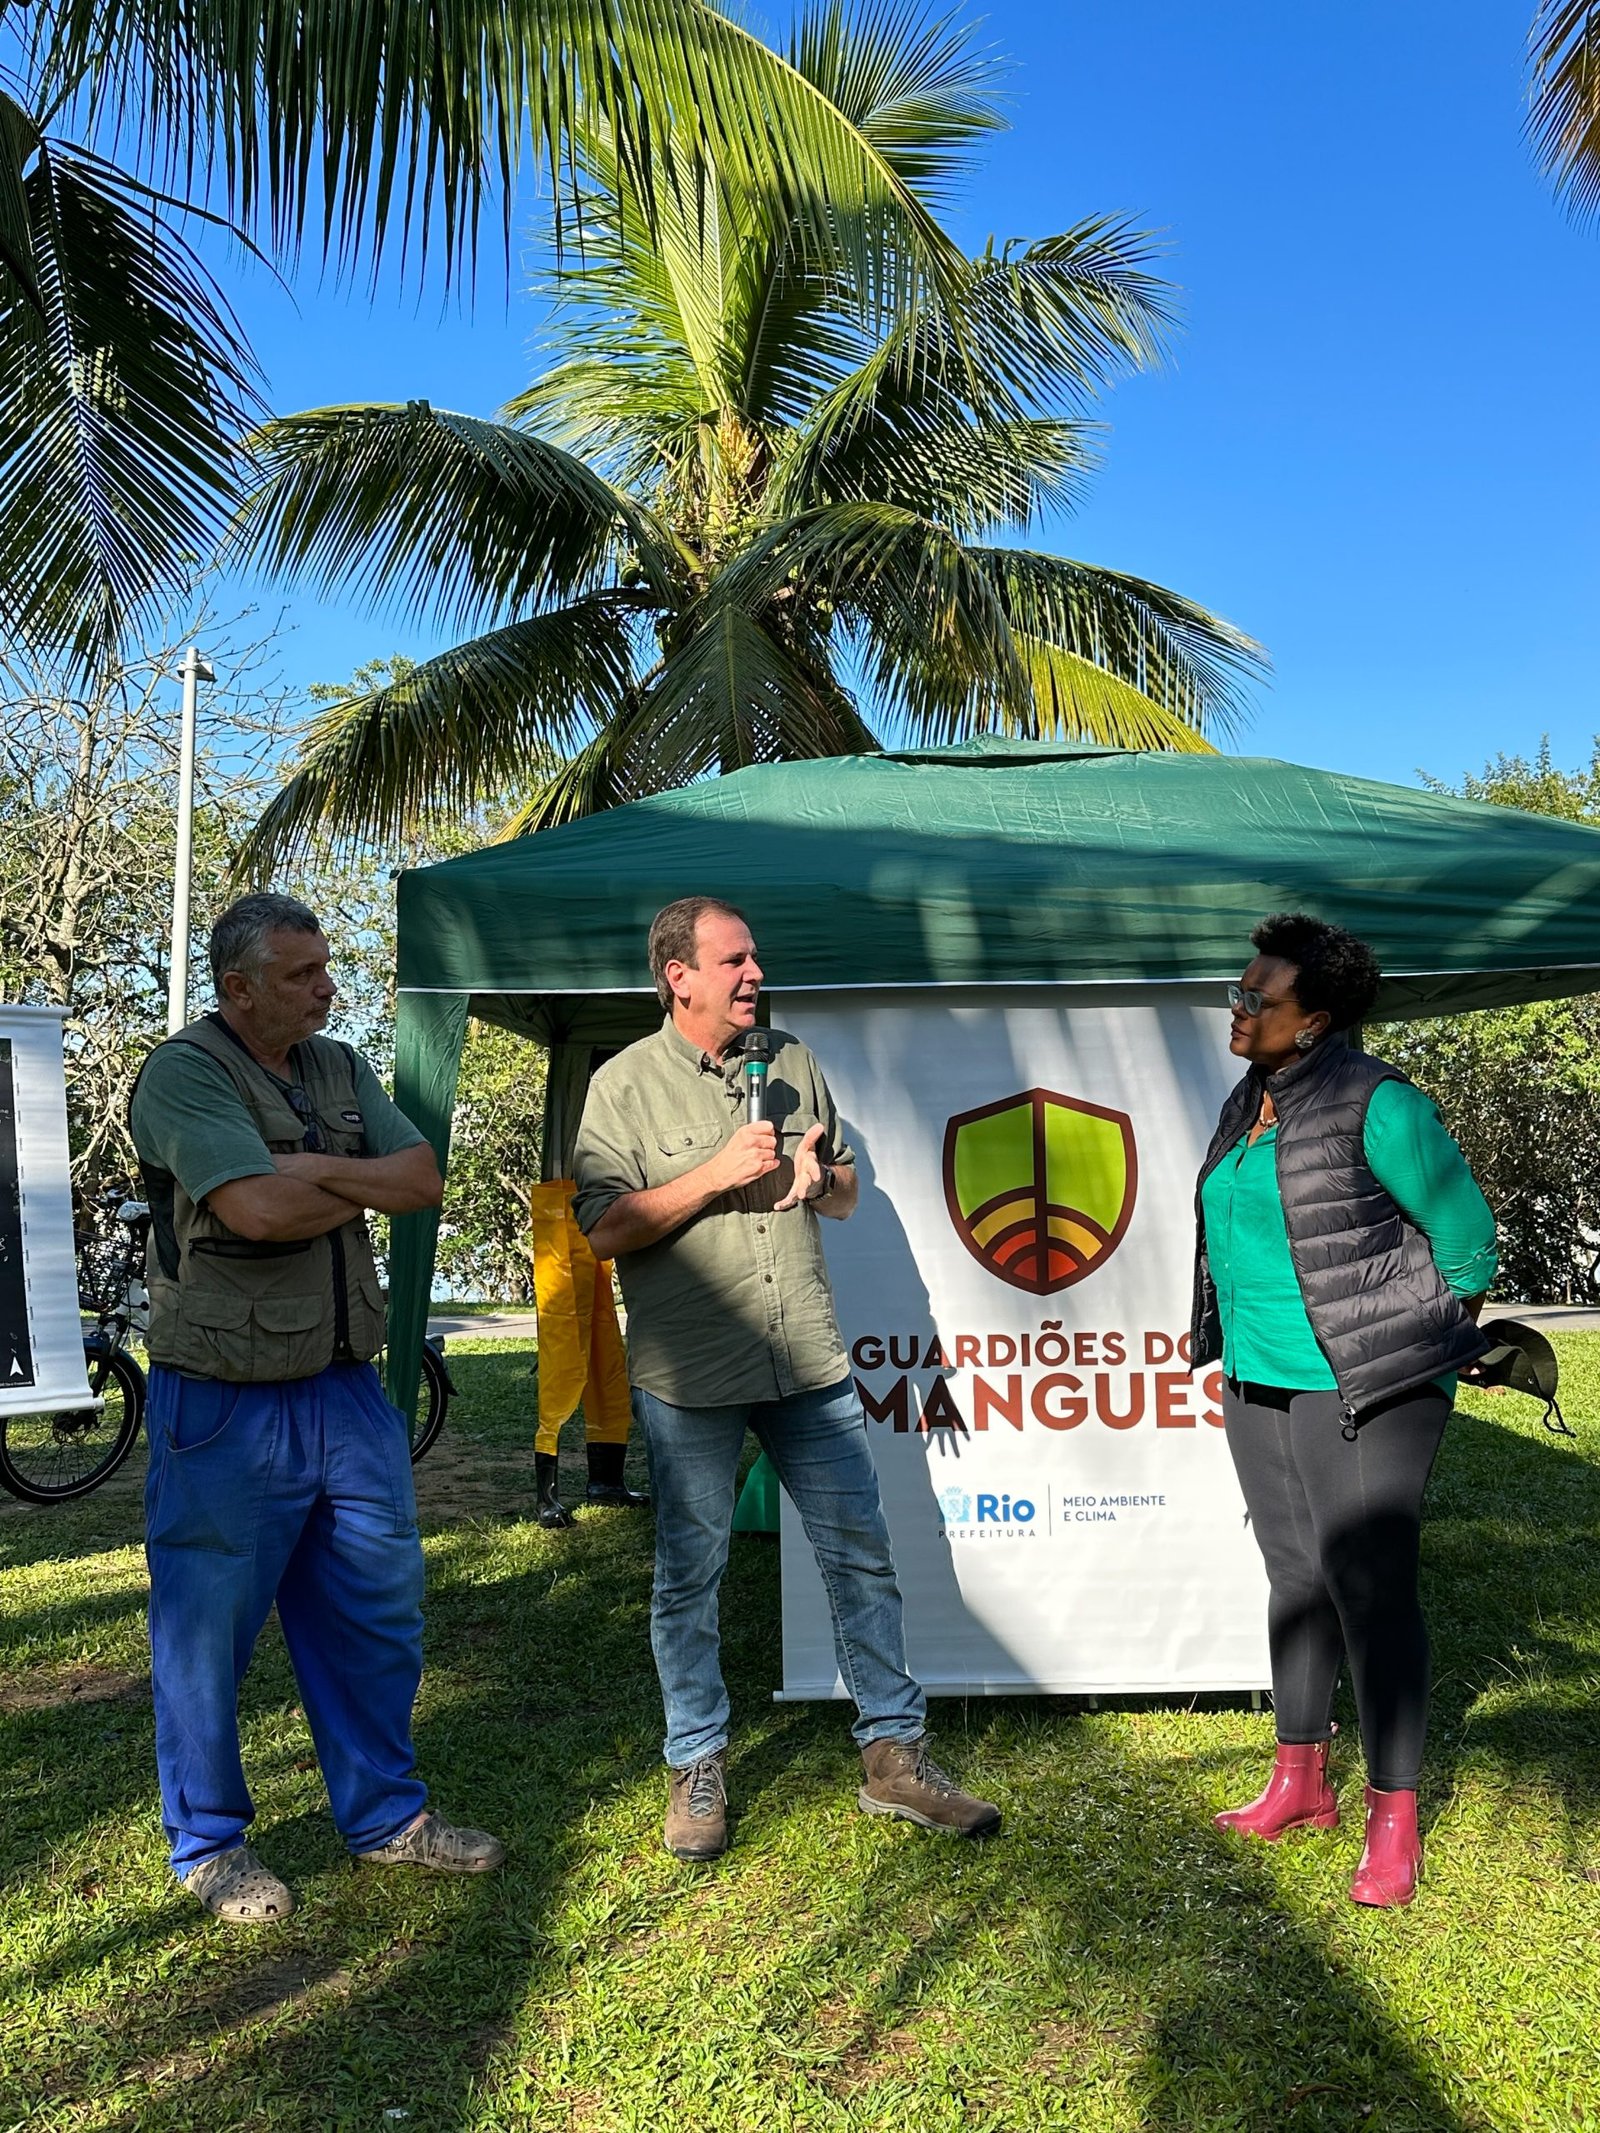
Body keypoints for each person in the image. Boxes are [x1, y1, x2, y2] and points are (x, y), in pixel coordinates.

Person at [571, 895, 1001, 1861]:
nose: (755, 973)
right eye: (735, 959)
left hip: (806, 1354)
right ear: (679, 975)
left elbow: (845, 1190)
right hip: (692, 1373)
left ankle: (893, 1754)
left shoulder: (793, 1061)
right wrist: (718, 1173)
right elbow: (602, 1229)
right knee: (692, 1573)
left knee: (861, 1553)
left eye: (755, 956)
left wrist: (821, 1180)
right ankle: (696, 1760)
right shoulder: (623, 1086)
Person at [131, 893, 504, 1924]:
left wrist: (313, 1170)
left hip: (347, 1389)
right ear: (236, 987)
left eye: (324, 969)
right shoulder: (185, 1072)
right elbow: (254, 1212)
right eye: (300, 975)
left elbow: (422, 1175)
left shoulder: (338, 1066)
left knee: (376, 1613)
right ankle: (210, 1845)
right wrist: (347, 1183)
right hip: (224, 1402)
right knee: (207, 1631)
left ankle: (387, 1817)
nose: (326, 989)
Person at [1192, 912, 1496, 1908]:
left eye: (1255, 998)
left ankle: (1393, 1820)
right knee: (1293, 1580)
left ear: (1314, 1020)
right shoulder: (1250, 1100)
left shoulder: (1380, 1104)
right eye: (1237, 992)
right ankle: (1300, 1784)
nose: (1235, 1009)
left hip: (1364, 1387)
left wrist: (1415, 1343)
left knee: (1369, 1593)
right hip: (1260, 1378)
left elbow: (1468, 1245)